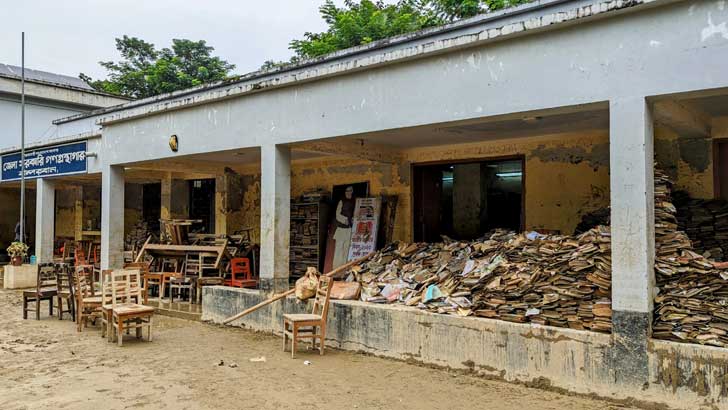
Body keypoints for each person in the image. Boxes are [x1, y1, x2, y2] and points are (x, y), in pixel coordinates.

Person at [332, 186, 356, 268]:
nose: (348, 192)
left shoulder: (354, 201)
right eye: (347, 191)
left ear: (352, 191)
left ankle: (345, 269)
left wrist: (353, 220)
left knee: (347, 250)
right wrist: (345, 220)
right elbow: (337, 214)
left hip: (349, 229)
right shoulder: (341, 201)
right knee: (339, 250)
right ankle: (336, 269)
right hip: (341, 229)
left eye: (350, 191)